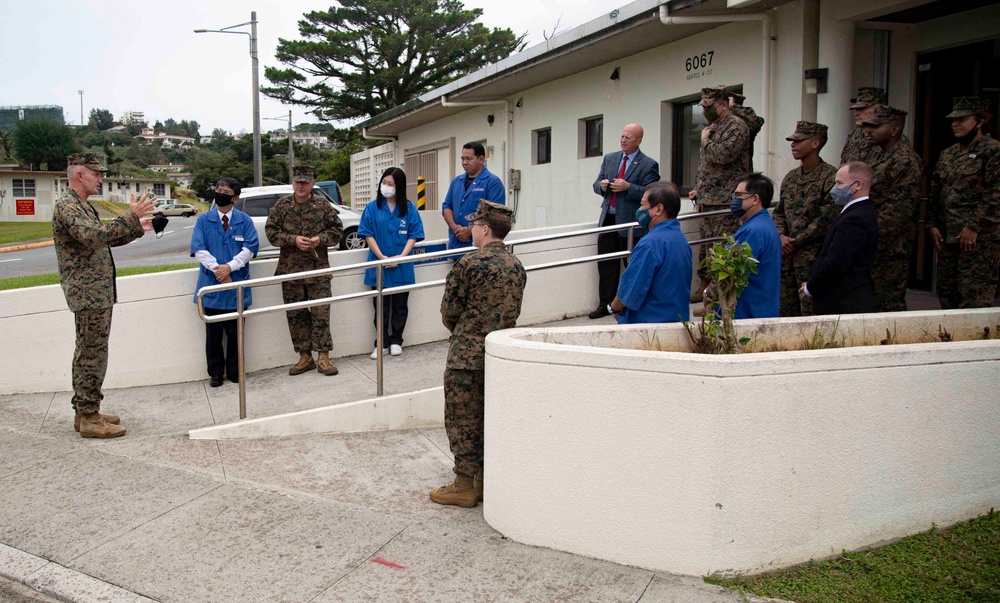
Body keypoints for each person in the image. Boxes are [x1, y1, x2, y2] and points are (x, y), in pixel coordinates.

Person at [52, 153, 156, 438]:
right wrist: (130, 216)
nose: (100, 179)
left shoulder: (83, 206)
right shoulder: (67, 206)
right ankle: (88, 415)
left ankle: (86, 411)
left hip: (96, 293)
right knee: (91, 354)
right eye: (96, 174)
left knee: (94, 352)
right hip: (87, 294)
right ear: (80, 176)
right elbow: (94, 236)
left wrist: (137, 227)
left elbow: (104, 239)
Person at [431, 200, 527, 508]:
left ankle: (464, 485)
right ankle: (485, 480)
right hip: (499, 354)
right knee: (489, 417)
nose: (471, 229)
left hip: (467, 356)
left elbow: (449, 312)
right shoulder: (516, 266)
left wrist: (466, 332)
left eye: (474, 224)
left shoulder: (469, 264)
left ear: (484, 229)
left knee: (462, 419)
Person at [265, 165, 344, 376]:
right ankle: (305, 357)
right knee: (296, 316)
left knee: (321, 314)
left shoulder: (322, 205)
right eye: (297, 182)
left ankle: (324, 357)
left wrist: (320, 239)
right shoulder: (282, 206)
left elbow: (337, 231)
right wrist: (293, 240)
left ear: (312, 183)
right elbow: (271, 233)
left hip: (317, 270)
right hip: (291, 271)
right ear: (293, 183)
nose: (301, 185)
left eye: (305, 182)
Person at [927, 96, 1000, 309]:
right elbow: (936, 191)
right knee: (947, 296)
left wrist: (975, 226)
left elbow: (995, 193)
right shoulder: (948, 154)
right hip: (948, 237)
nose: (955, 124)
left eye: (962, 119)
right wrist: (931, 224)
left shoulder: (993, 151)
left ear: (980, 121)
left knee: (974, 298)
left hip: (978, 240)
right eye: (953, 120)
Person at [190, 177, 259, 387]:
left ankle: (235, 371)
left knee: (236, 334)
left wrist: (230, 267)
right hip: (211, 287)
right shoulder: (204, 220)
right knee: (213, 336)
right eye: (218, 189)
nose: (220, 193)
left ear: (235, 197)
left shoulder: (244, 220)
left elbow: (250, 248)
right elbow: (198, 249)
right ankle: (216, 373)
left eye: (225, 191)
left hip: (236, 285)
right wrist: (218, 270)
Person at [590, 123, 661, 318]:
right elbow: (596, 184)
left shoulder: (648, 164)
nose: (623, 140)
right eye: (622, 136)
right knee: (606, 264)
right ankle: (605, 304)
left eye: (628, 137)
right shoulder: (610, 159)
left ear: (638, 141)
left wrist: (629, 187)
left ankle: (630, 304)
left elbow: (652, 193)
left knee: (632, 265)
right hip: (609, 218)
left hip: (631, 223)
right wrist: (602, 186)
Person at [689, 86, 750, 302]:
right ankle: (707, 295)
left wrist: (706, 142)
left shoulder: (736, 126)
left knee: (723, 253)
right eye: (703, 107)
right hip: (709, 201)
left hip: (725, 202)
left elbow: (724, 155)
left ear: (724, 105)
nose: (705, 111)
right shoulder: (712, 127)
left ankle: (720, 302)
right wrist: (700, 189)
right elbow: (705, 165)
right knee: (707, 252)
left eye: (710, 106)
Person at [359, 167, 425, 358]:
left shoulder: (409, 208)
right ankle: (381, 343)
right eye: (384, 183)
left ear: (400, 187)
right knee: (380, 307)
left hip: (402, 266)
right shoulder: (372, 207)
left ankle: (396, 340)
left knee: (400, 306)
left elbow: (414, 234)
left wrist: (402, 256)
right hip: (378, 265)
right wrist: (382, 257)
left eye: (391, 184)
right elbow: (367, 233)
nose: (386, 187)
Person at [863, 105, 923, 312]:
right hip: (871, 240)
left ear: (895, 129)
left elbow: (900, 209)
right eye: (868, 126)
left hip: (890, 245)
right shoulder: (876, 156)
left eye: (876, 126)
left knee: (887, 302)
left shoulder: (905, 160)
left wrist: (867, 232)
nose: (868, 131)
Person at [774, 121, 837, 316]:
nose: (793, 144)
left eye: (799, 140)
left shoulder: (830, 177)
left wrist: (796, 241)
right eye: (792, 140)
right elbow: (779, 211)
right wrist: (781, 235)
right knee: (785, 311)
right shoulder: (791, 177)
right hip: (787, 256)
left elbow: (827, 218)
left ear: (815, 143)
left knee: (811, 312)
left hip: (812, 256)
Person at [800, 162, 879, 315]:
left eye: (839, 183)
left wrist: (811, 287)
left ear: (858, 185)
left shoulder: (855, 218)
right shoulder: (857, 212)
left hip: (844, 301)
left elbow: (836, 262)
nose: (834, 189)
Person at [608, 182, 691, 324]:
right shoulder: (680, 239)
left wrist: (614, 308)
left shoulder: (649, 244)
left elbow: (630, 288)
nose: (639, 210)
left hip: (648, 323)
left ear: (658, 209)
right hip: (677, 320)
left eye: (642, 205)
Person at [731, 173, 781, 319]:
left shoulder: (755, 231)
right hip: (759, 310)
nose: (734, 201)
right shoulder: (761, 226)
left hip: (748, 314)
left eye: (739, 195)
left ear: (754, 199)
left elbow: (733, 274)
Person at [442, 141, 505, 250]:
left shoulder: (492, 182)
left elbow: (495, 214)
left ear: (481, 159)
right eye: (462, 159)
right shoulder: (456, 182)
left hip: (481, 248)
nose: (465, 162)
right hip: (456, 246)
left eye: (469, 159)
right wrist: (455, 228)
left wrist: (470, 230)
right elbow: (447, 207)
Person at [840, 87, 887, 166]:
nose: (856, 113)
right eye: (856, 109)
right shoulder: (855, 133)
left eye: (862, 109)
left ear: (879, 109)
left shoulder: (890, 136)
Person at [726, 89, 765, 172]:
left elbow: (755, 121)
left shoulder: (747, 126)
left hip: (739, 175)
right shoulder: (720, 125)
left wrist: (733, 107)